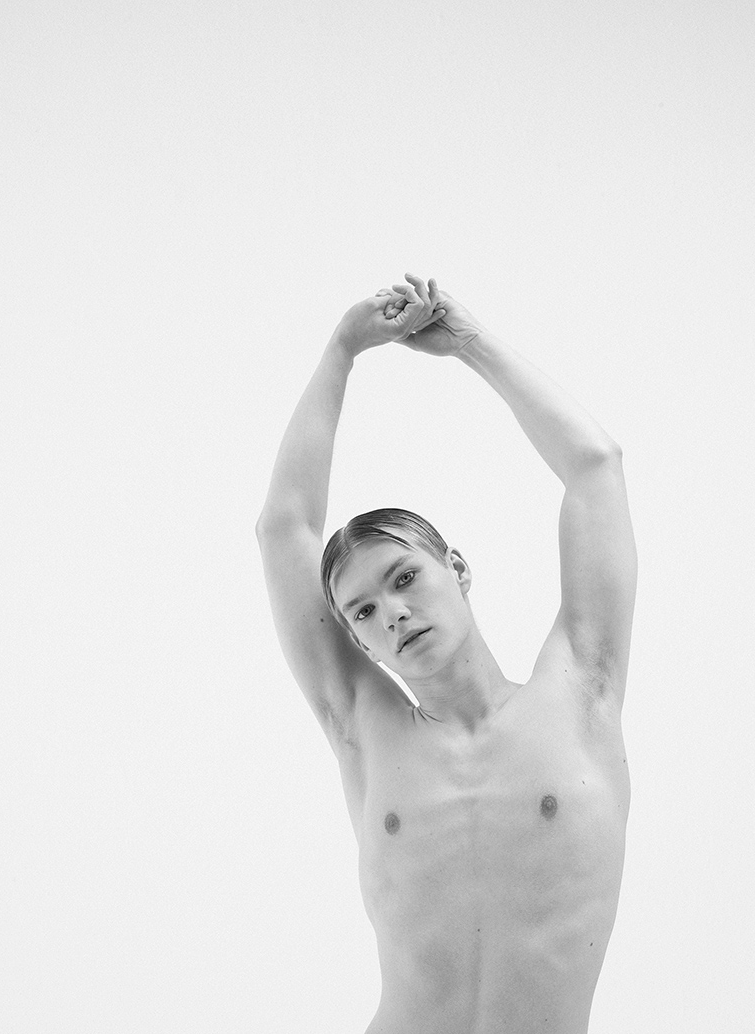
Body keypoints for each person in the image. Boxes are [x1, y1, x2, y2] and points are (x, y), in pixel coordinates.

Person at [256, 273, 637, 1034]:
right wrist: (342, 349)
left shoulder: (581, 687)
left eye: (404, 578)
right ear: (354, 637)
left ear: (456, 569)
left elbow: (595, 465)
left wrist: (468, 342)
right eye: (363, 611)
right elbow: (283, 528)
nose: (392, 613)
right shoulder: (363, 727)